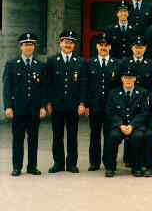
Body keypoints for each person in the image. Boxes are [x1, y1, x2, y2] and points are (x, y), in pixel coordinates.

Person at [4, 33, 47, 176]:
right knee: (18, 139)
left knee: (33, 138)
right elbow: (6, 87)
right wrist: (8, 106)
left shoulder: (40, 65)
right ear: (20, 46)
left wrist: (43, 106)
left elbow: (43, 88)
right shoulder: (11, 64)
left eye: (31, 45)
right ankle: (17, 166)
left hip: (34, 108)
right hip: (18, 109)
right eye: (25, 45)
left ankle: (32, 166)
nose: (28, 47)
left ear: (34, 47)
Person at [46, 30, 87, 174]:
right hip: (57, 104)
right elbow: (48, 83)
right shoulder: (52, 61)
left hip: (72, 105)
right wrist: (48, 102)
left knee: (72, 135)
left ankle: (71, 164)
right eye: (65, 42)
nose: (68, 45)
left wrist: (82, 103)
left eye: (71, 42)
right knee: (57, 135)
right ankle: (58, 163)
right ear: (60, 43)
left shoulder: (80, 62)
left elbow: (83, 84)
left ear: (74, 44)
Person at [103, 68, 149, 177]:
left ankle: (136, 167)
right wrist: (120, 125)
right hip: (119, 125)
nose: (128, 80)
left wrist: (132, 125)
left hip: (135, 126)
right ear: (122, 79)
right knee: (113, 136)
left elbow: (144, 112)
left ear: (135, 79)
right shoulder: (113, 93)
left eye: (130, 78)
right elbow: (110, 112)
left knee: (138, 137)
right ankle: (110, 167)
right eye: (125, 78)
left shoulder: (142, 92)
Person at [85, 33, 121, 171]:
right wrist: (87, 105)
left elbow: (119, 87)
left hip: (111, 108)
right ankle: (94, 163)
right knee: (94, 135)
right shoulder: (89, 63)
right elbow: (86, 86)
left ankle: (108, 162)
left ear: (110, 47)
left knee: (109, 136)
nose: (103, 48)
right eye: (101, 45)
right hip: (95, 106)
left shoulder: (117, 64)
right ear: (96, 47)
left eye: (106, 45)